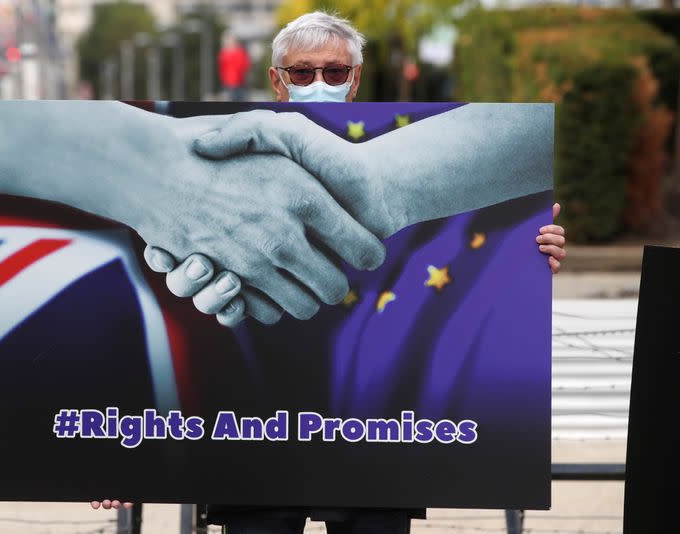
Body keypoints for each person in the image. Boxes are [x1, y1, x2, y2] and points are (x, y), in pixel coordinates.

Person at [89, 11, 567, 533]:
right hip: (251, 432)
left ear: (355, 79)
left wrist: (530, 247)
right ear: (277, 79)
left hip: (377, 435)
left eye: (336, 73)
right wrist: (121, 455)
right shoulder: (216, 144)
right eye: (303, 72)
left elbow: (487, 250)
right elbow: (138, 304)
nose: (320, 83)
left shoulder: (409, 147)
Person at [219, 33, 252, 102]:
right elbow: (246, 65)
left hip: (234, 83)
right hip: (233, 83)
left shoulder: (224, 53)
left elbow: (245, 65)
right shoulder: (226, 53)